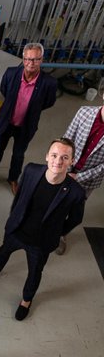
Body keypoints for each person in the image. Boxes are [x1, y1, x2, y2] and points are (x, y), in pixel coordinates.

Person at [0, 138, 85, 321]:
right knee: (3, 251)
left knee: (35, 272)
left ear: (71, 161)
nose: (58, 161)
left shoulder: (75, 192)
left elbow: (75, 219)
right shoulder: (31, 170)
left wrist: (57, 232)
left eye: (65, 157)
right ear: (47, 156)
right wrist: (13, 218)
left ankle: (27, 299)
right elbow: (19, 198)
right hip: (17, 230)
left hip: (41, 242)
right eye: (54, 155)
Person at [0, 43, 57, 195]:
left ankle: (13, 179)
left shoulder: (49, 82)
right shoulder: (11, 73)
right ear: (23, 58)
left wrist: (32, 109)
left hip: (26, 125)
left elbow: (48, 102)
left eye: (35, 59)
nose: (30, 63)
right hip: (6, 122)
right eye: (27, 59)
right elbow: (6, 91)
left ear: (41, 60)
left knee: (19, 154)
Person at [56, 103, 104, 254]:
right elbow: (67, 139)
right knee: (54, 201)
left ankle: (61, 235)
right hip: (65, 168)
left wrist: (79, 177)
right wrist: (66, 168)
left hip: (88, 179)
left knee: (73, 209)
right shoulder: (84, 112)